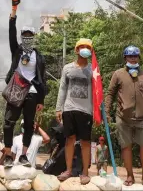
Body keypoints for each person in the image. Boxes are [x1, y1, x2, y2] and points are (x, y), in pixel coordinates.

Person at [105, 45, 143, 186]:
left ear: (139, 58)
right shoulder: (118, 74)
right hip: (123, 117)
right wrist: (106, 112)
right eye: (130, 56)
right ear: (125, 58)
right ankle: (130, 176)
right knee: (126, 146)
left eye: (135, 56)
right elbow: (110, 94)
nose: (132, 59)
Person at [3, 0, 47, 168]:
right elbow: (10, 31)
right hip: (16, 90)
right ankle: (7, 154)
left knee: (29, 124)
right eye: (25, 35)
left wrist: (41, 100)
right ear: (22, 37)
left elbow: (42, 79)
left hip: (32, 93)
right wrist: (14, 10)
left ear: (34, 37)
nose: (27, 38)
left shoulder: (40, 57)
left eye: (30, 35)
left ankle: (23, 156)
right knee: (8, 123)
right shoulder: (17, 51)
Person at [55, 38, 93, 184]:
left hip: (86, 110)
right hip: (69, 108)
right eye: (82, 47)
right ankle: (68, 170)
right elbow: (62, 88)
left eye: (88, 47)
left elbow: (97, 92)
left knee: (85, 142)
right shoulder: (67, 68)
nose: (85, 49)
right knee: (69, 139)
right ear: (76, 50)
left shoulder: (93, 70)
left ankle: (85, 172)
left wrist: (97, 111)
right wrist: (59, 108)